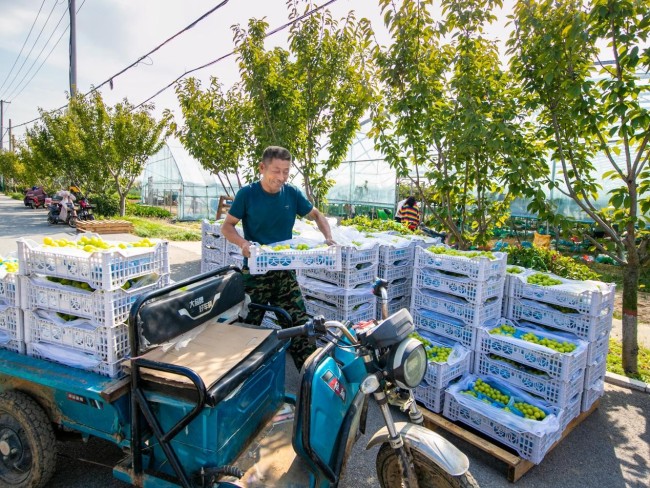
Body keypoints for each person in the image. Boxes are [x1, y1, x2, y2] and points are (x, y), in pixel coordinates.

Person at [221, 146, 335, 370]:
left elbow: (317, 215)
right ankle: (236, 376)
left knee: (300, 324)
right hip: (256, 273)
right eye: (276, 171)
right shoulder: (248, 194)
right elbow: (228, 227)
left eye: (286, 171)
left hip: (284, 271)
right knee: (246, 325)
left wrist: (329, 238)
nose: (281, 177)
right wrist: (243, 243)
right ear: (262, 168)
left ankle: (310, 377)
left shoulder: (292, 193)